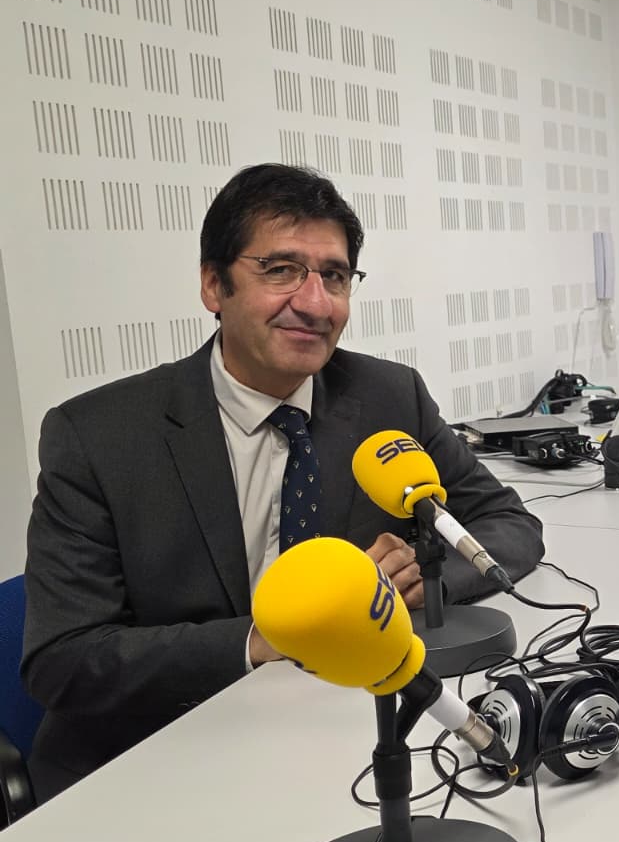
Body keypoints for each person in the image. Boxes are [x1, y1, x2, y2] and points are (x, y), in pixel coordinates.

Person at [23, 164, 544, 800]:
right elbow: (65, 660)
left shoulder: (387, 396)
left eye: (334, 275)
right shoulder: (99, 436)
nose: (316, 302)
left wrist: (414, 577)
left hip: (334, 740)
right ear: (215, 286)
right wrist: (267, 638)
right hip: (159, 761)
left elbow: (510, 528)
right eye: (281, 270)